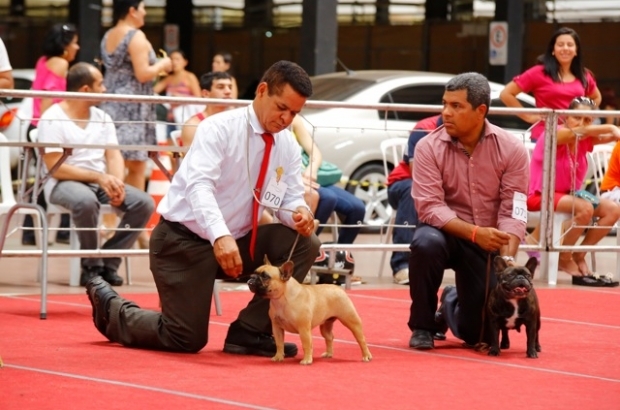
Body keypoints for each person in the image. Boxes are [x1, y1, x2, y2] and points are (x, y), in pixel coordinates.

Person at [85, 60, 321, 357]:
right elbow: (199, 187)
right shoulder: (218, 128)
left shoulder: (286, 143)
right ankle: (112, 309)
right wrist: (219, 236)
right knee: (185, 338)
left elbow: (288, 199)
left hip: (238, 241)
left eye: (295, 113)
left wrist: (298, 214)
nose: (286, 118)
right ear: (262, 91)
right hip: (183, 241)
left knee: (305, 242)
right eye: (281, 108)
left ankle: (250, 332)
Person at [407, 72, 529, 350]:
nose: (446, 113)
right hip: (444, 233)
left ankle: (450, 300)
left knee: (479, 336)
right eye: (445, 104)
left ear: (480, 111)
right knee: (425, 243)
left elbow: (515, 210)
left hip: (488, 241)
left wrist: (506, 258)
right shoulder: (427, 147)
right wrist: (474, 233)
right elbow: (429, 207)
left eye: (456, 106)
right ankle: (423, 326)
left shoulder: (512, 149)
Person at [37, 63, 154, 286]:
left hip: (97, 181)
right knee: (85, 201)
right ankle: (90, 265)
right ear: (85, 90)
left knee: (143, 203)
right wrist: (100, 178)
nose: (105, 88)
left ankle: (108, 261)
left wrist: (116, 184)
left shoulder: (102, 117)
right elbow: (55, 167)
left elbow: (114, 156)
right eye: (100, 83)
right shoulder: (52, 118)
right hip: (62, 183)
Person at [99, 0, 172, 248]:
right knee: (137, 168)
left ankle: (110, 224)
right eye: (143, 7)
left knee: (113, 165)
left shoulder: (108, 34)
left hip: (111, 106)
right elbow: (143, 73)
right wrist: (162, 65)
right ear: (132, 10)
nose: (145, 13)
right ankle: (132, 227)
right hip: (133, 108)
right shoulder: (136, 36)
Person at [527, 96, 620, 287]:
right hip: (541, 195)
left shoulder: (585, 141)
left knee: (613, 210)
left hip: (570, 195)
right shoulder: (554, 133)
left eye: (587, 120)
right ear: (566, 117)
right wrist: (610, 127)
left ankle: (579, 254)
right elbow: (582, 132)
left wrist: (612, 131)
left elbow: (607, 136)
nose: (581, 123)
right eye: (576, 117)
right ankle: (564, 256)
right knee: (585, 209)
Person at [22, 23, 80, 246]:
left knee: (42, 179)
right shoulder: (61, 63)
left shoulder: (43, 61)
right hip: (46, 128)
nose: (77, 46)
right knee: (62, 175)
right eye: (74, 41)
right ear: (65, 45)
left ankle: (32, 230)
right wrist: (50, 129)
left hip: (36, 126)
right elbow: (47, 100)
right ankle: (62, 230)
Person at [500, 27, 602, 143]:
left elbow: (596, 97)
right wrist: (528, 117)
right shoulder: (538, 72)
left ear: (576, 51)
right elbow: (506, 94)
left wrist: (585, 116)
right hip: (546, 137)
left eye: (570, 45)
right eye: (560, 44)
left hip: (574, 136)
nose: (565, 48)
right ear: (553, 50)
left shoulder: (584, 75)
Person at [386, 114, 442, 285]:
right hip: (402, 184)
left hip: (442, 186)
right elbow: (417, 173)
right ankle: (401, 265)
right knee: (414, 190)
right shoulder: (423, 129)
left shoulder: (468, 132)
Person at [179, 71, 234, 147]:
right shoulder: (193, 125)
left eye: (230, 87)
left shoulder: (235, 122)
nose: (228, 91)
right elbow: (191, 158)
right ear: (206, 94)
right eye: (221, 87)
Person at [153, 49, 201, 133]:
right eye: (172, 59)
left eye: (177, 59)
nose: (174, 62)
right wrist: (159, 70)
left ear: (185, 62)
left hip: (185, 120)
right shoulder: (168, 78)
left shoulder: (190, 77)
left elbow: (199, 99)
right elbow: (153, 91)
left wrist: (181, 97)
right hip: (171, 119)